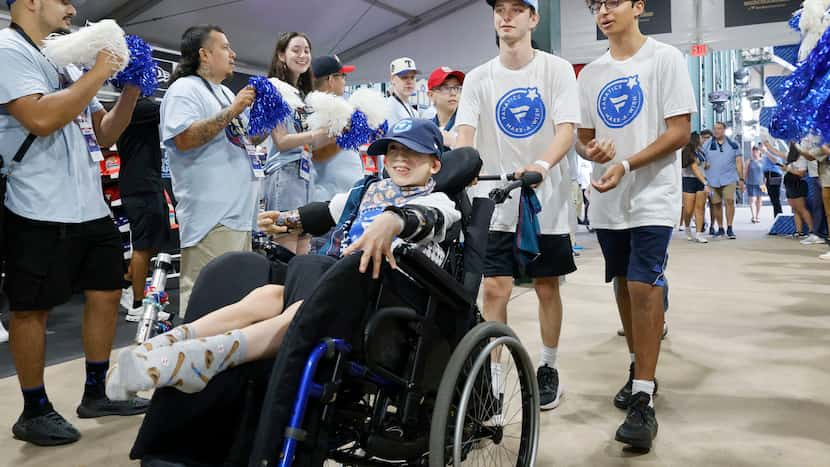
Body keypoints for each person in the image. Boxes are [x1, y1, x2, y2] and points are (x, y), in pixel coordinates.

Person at [105, 118, 460, 398]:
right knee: (269, 293)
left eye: (411, 152)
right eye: (394, 149)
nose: (399, 158)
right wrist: (283, 220)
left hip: (386, 302)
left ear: (433, 164)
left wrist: (394, 219)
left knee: (305, 278)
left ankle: (210, 356)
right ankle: (162, 346)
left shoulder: (438, 202)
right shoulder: (368, 190)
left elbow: (427, 221)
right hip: (337, 283)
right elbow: (324, 212)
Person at [0, 0, 151, 446]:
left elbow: (103, 134)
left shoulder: (58, 58)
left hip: (90, 207)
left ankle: (96, 391)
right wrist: (101, 70)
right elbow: (41, 117)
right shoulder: (8, 48)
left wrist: (130, 89)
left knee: (106, 293)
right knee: (31, 309)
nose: (71, 7)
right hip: (36, 205)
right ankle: (33, 409)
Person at [576, 0, 696, 451]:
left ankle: (643, 397)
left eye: (612, 2)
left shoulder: (664, 59)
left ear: (638, 6)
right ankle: (636, 363)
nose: (603, 11)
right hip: (608, 199)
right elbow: (585, 138)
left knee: (645, 286)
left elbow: (679, 131)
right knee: (624, 283)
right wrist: (592, 154)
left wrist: (626, 163)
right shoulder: (590, 74)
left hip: (652, 194)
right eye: (595, 5)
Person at [456, 0, 580, 412]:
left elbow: (566, 129)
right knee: (494, 288)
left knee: (546, 285)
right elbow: (465, 130)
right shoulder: (478, 77)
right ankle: (491, 381)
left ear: (533, 18)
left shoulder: (556, 70)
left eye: (516, 8)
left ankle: (548, 366)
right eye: (499, 9)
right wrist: (464, 163)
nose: (505, 16)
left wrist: (543, 164)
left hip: (543, 198)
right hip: (493, 199)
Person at [161, 25, 263, 317]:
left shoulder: (221, 91)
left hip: (237, 216)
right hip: (211, 219)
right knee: (208, 308)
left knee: (234, 307)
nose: (233, 54)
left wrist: (267, 122)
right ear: (204, 54)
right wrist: (233, 110)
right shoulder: (184, 89)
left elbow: (242, 141)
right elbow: (184, 138)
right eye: (225, 47)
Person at [263, 32, 335, 254]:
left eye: (306, 50)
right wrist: (318, 133)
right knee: (285, 252)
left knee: (303, 249)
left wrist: (339, 130)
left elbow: (311, 143)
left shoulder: (303, 95)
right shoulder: (273, 88)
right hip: (284, 174)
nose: (302, 55)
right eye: (296, 50)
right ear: (281, 55)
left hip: (305, 175)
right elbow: (282, 141)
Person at [118, 97, 172, 322]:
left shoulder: (135, 107)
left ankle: (128, 284)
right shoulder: (136, 106)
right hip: (140, 186)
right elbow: (169, 106)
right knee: (142, 246)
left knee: (151, 244)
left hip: (147, 183)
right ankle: (137, 305)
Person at [309, 55, 363, 203]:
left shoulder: (336, 107)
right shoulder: (317, 108)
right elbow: (316, 154)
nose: (345, 81)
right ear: (332, 80)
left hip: (343, 192)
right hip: (330, 196)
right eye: (343, 76)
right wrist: (349, 136)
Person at [767, 142, 822, 244]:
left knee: (802, 208)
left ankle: (812, 232)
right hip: (789, 183)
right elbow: (778, 153)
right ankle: (799, 231)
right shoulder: (790, 155)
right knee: (795, 209)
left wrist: (788, 168)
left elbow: (801, 173)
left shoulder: (802, 157)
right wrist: (767, 146)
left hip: (797, 183)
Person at [703, 122, 744, 239]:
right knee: (715, 203)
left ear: (724, 130)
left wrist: (741, 179)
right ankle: (720, 228)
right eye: (715, 128)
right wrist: (704, 167)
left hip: (729, 178)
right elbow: (700, 160)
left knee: (729, 201)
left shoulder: (733, 144)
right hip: (712, 179)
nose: (716, 131)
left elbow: (739, 162)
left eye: (719, 128)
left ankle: (730, 227)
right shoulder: (707, 144)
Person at [427, 66, 465, 149]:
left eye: (457, 88)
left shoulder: (468, 126)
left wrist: (454, 143)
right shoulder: (427, 129)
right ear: (431, 95)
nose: (453, 93)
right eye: (446, 88)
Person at [680, 132, 709, 242]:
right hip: (689, 180)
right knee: (688, 210)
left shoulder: (701, 151)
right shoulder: (688, 152)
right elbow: (695, 170)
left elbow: (702, 166)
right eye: (701, 138)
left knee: (700, 208)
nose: (703, 139)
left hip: (701, 181)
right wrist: (705, 183)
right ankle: (687, 227)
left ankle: (699, 233)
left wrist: (706, 166)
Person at [386, 57, 420, 126]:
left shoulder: (414, 112)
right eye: (404, 77)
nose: (409, 81)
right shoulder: (387, 107)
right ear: (393, 79)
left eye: (412, 77)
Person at [761, 139, 784, 218]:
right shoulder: (767, 152)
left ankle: (779, 216)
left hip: (774, 174)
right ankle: (777, 216)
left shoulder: (773, 150)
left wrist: (766, 152)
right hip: (768, 175)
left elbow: (775, 161)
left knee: (775, 198)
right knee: (773, 198)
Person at [745, 145, 765, 224]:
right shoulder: (749, 161)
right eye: (753, 151)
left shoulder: (763, 161)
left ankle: (757, 216)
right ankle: (753, 216)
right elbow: (745, 172)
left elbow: (765, 173)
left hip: (761, 183)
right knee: (752, 199)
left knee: (759, 200)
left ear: (759, 152)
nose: (755, 152)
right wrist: (743, 182)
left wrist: (765, 183)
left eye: (756, 151)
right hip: (751, 183)